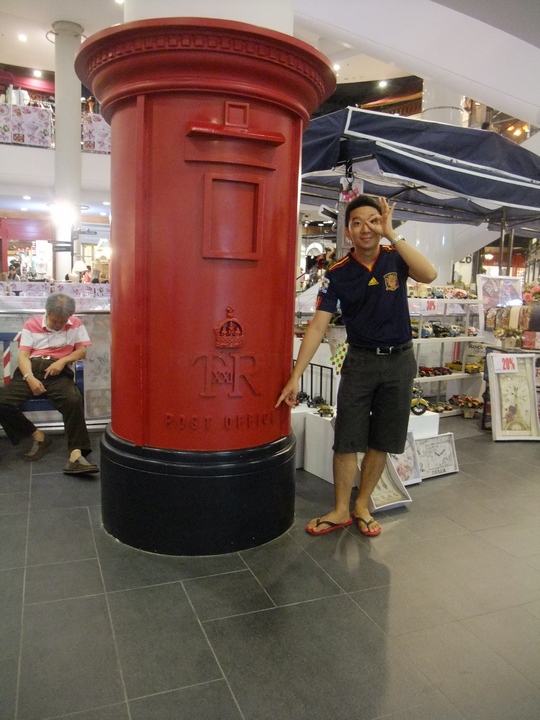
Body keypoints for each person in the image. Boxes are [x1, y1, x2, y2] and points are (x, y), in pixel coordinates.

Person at [276, 196, 437, 537]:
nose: (366, 229)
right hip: (360, 362)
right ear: (348, 231)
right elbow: (317, 326)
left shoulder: (396, 258)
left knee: (383, 439)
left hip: (400, 360)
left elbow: (430, 274)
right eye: (358, 223)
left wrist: (392, 233)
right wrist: (295, 376)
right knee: (347, 439)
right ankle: (340, 510)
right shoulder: (337, 274)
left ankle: (362, 505)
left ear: (382, 224)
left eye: (373, 221)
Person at [0, 292, 99, 475]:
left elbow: (81, 351)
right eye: (54, 321)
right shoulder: (32, 324)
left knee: (73, 400)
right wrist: (30, 378)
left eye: (63, 321)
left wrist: (62, 361)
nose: (58, 325)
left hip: (58, 373)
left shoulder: (76, 324)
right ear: (47, 313)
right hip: (31, 369)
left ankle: (76, 455)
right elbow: (23, 356)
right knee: (3, 401)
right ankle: (38, 436)